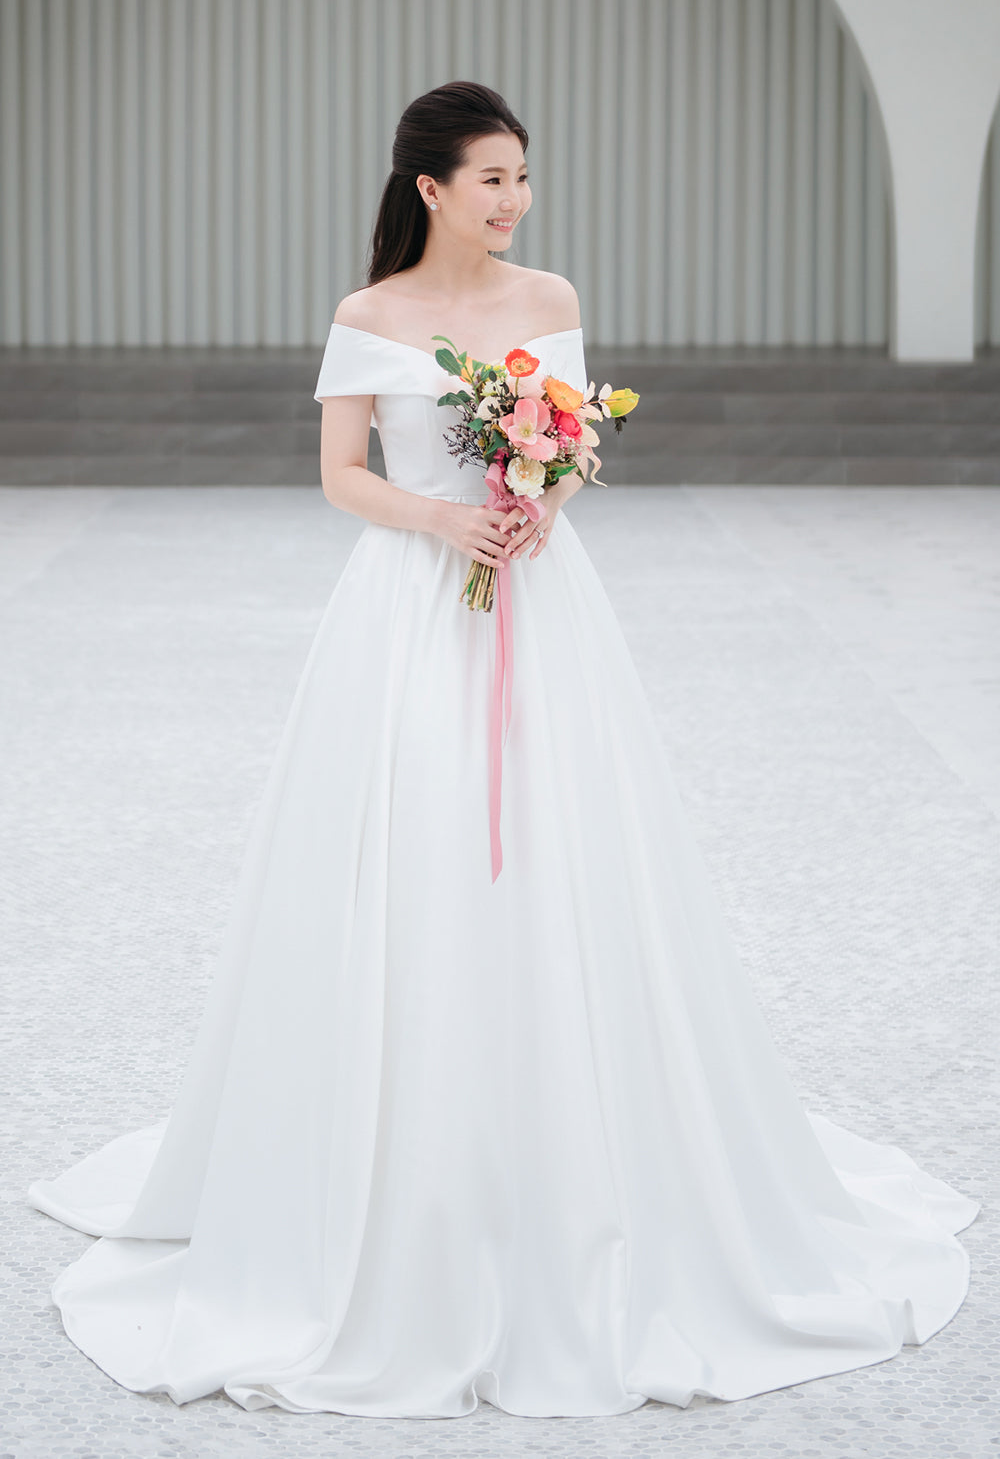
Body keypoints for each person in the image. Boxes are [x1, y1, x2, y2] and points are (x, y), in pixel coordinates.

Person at [28, 80, 978, 1421]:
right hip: (412, 608)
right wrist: (443, 520)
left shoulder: (549, 299)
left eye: (521, 177)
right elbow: (340, 477)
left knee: (563, 846)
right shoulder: (371, 317)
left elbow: (577, 446)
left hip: (542, 597)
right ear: (428, 188)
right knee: (412, 852)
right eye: (488, 179)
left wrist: (541, 491)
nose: (511, 200)